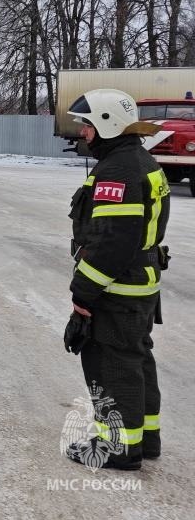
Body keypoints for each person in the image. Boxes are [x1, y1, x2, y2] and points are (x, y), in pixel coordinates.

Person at [63, 88, 171, 471]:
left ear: (107, 124)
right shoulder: (138, 159)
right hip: (139, 284)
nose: (83, 134)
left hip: (117, 287)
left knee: (112, 364)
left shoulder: (118, 170)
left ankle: (119, 447)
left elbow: (113, 241)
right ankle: (145, 438)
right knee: (135, 358)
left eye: (88, 126)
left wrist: (83, 292)